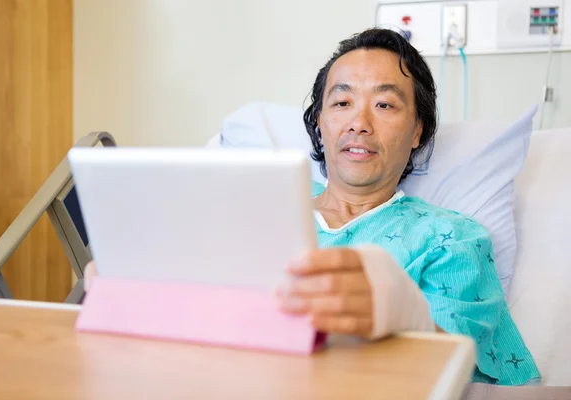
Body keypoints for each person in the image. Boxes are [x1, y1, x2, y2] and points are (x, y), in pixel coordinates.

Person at [84, 28, 539, 386]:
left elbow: (457, 370)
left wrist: (408, 317)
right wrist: (134, 284)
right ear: (320, 126)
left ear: (418, 131)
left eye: (384, 104)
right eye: (341, 102)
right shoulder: (247, 220)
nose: (358, 123)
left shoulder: (451, 240)